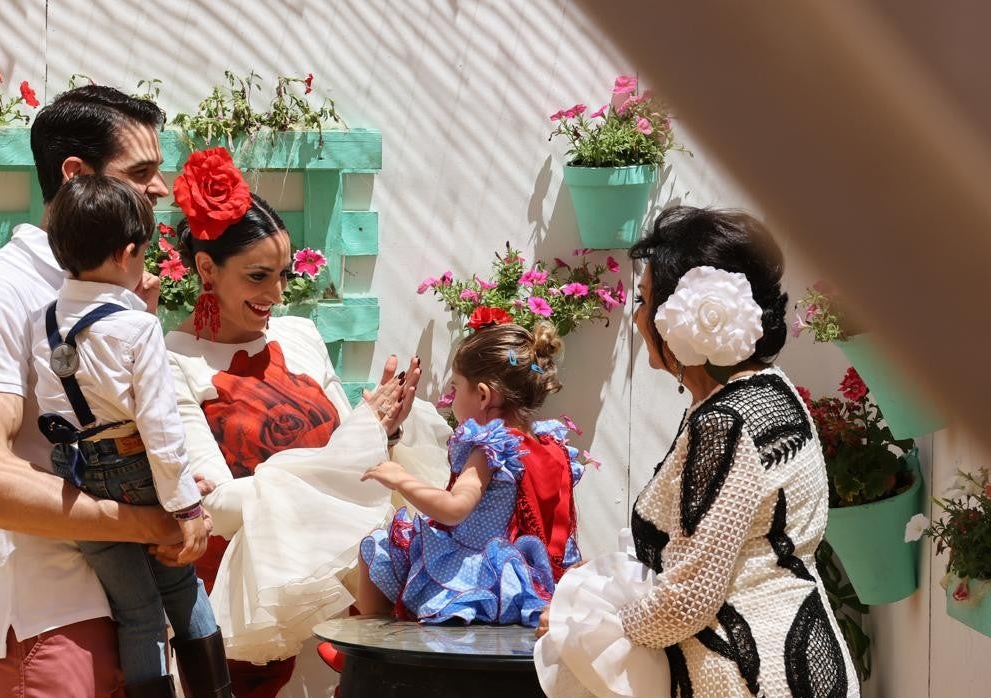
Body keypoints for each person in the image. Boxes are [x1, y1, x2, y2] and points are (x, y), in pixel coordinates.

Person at [534, 206, 860, 698]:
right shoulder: (773, 392)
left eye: (645, 301)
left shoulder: (725, 423)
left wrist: (582, 627)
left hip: (750, 679)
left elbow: (688, 599)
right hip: (807, 660)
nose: (639, 318)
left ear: (683, 315)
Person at [0, 86, 201, 698]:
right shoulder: (0, 294)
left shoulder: (109, 286)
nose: (160, 188)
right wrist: (154, 524)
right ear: (76, 175)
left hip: (131, 620)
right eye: (141, 172)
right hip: (55, 621)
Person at [158, 146, 424, 697]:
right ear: (206, 268)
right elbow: (218, 507)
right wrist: (352, 448)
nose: (276, 294)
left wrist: (385, 431)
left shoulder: (299, 335)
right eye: (258, 276)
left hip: (346, 587)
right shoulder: (170, 361)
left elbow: (361, 464)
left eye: (282, 273)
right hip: (244, 602)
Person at [31, 174, 230, 697]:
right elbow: (159, 428)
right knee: (181, 586)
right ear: (127, 254)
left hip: (77, 477)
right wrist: (184, 504)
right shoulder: (137, 328)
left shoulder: (42, 320)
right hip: (137, 467)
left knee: (137, 613)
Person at [355, 321, 582, 626]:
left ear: (484, 396)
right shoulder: (552, 446)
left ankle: (372, 646)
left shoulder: (489, 447)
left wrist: (399, 477)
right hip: (528, 581)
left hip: (473, 576)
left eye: (456, 388)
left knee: (380, 548)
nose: (452, 398)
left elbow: (454, 509)